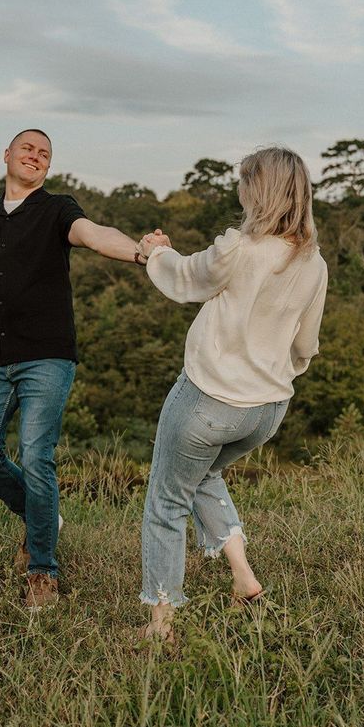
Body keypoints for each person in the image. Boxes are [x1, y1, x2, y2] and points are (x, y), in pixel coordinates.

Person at [0, 128, 148, 610]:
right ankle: (45, 516)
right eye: (28, 148)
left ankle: (42, 571)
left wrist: (140, 251)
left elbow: (93, 235)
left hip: (47, 356)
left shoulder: (58, 208)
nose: (36, 156)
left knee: (35, 453)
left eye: (45, 154)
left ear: (48, 168)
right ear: (6, 155)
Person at [136, 146, 328, 641]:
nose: (240, 189)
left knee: (166, 502)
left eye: (245, 181)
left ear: (257, 191)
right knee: (204, 474)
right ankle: (244, 578)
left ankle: (160, 626)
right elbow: (306, 345)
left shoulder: (238, 248)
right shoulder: (314, 264)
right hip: (267, 411)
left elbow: (183, 278)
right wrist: (274, 372)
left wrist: (153, 250)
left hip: (208, 402)